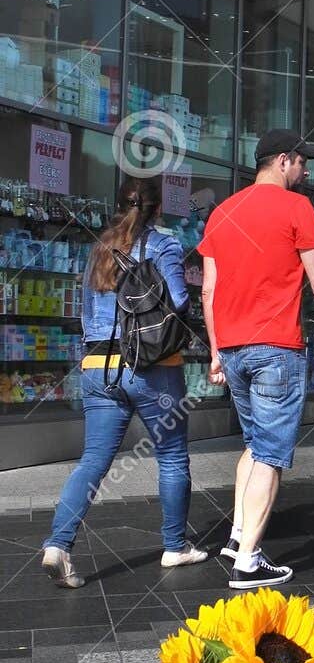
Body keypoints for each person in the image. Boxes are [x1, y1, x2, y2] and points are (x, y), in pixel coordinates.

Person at [199, 129, 314, 589]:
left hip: (232, 348)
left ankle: (236, 536)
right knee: (269, 452)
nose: (307, 171)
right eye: (303, 162)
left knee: (253, 444)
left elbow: (209, 291)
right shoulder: (297, 208)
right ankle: (248, 561)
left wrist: (215, 350)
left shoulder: (222, 213)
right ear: (283, 161)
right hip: (275, 349)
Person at [41, 176, 206, 589]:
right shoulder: (163, 245)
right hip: (151, 365)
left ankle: (58, 545)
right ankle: (175, 545)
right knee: (170, 456)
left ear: (118, 206)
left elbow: (85, 311)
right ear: (156, 210)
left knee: (93, 461)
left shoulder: (97, 250)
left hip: (98, 365)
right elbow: (179, 302)